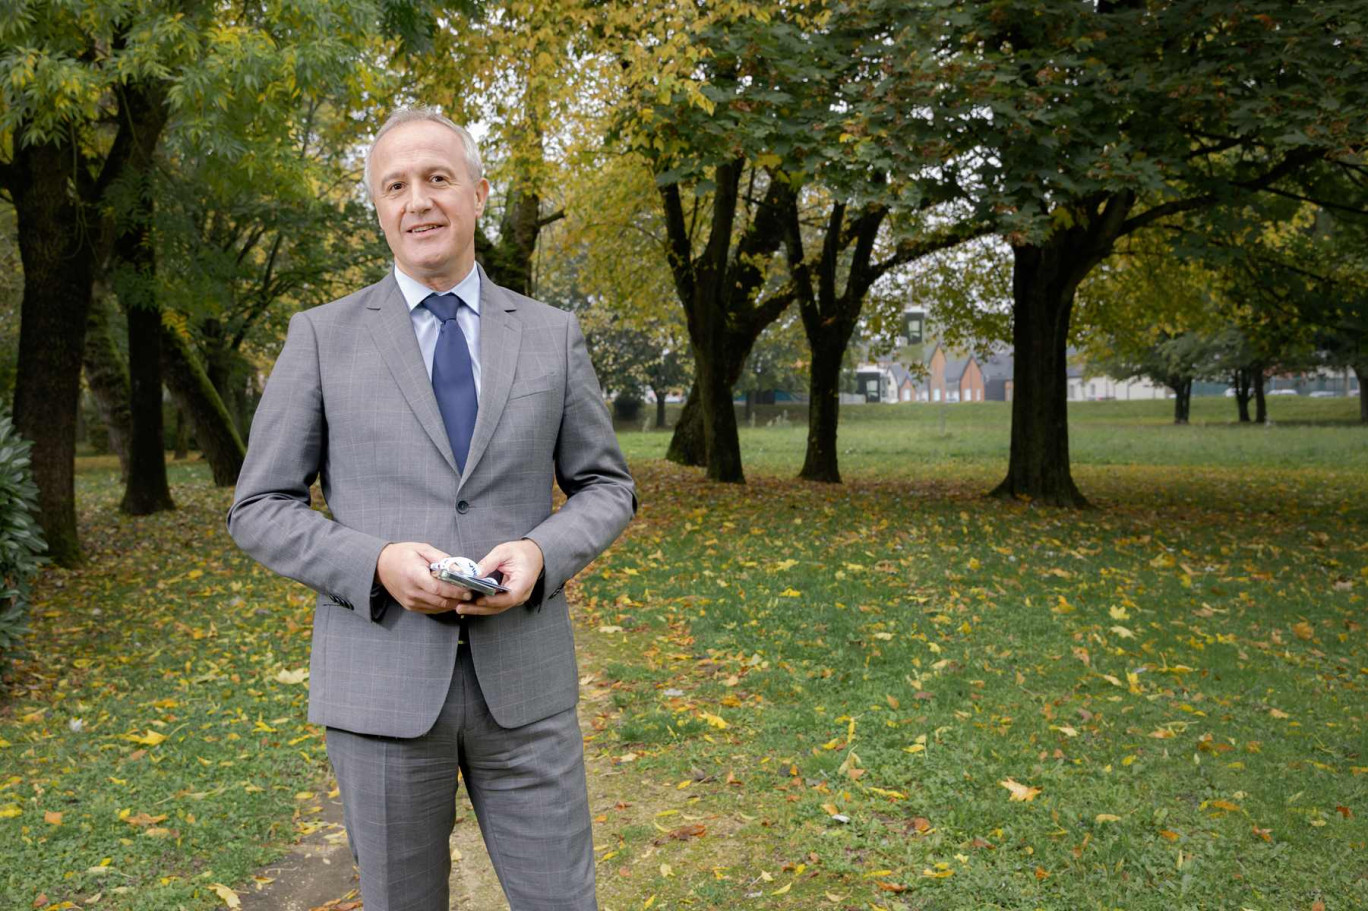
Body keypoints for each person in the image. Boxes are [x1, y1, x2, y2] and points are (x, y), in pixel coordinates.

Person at [227, 106, 636, 911]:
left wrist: (543, 553)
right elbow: (259, 506)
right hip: (380, 690)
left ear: (480, 194)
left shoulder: (552, 335)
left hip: (524, 688)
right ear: (378, 208)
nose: (418, 200)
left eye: (438, 178)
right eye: (396, 185)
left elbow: (607, 484)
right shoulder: (320, 337)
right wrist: (373, 563)